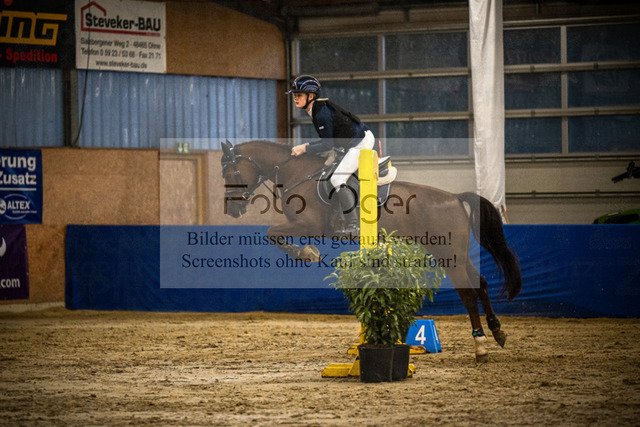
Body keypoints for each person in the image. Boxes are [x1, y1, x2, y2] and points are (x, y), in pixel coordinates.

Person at [288, 75, 375, 237]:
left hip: (360, 143)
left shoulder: (321, 113)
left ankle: (354, 226)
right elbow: (329, 141)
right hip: (352, 141)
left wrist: (304, 148)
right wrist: (307, 146)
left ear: (311, 96)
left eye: (298, 95)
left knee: (337, 179)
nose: (295, 98)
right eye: (294, 95)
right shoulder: (316, 109)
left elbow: (327, 145)